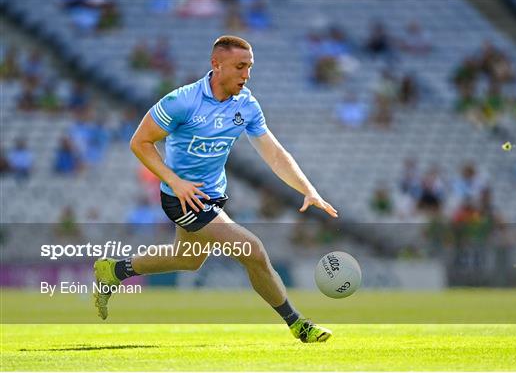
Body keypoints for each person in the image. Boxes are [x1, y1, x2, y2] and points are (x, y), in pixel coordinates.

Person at [93, 36, 337, 343]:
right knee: (254, 251)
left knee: (188, 259)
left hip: (212, 195)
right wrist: (175, 181)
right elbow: (139, 142)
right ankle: (298, 324)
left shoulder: (246, 105)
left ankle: (114, 271)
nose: (246, 75)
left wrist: (308, 189)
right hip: (183, 198)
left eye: (249, 67)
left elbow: (275, 154)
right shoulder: (181, 101)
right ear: (216, 65)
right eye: (239, 66)